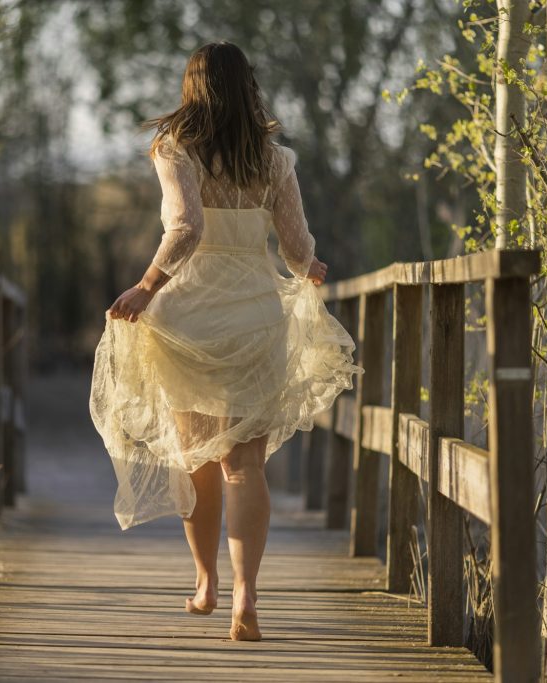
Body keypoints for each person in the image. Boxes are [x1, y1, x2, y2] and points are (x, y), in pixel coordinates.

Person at [88, 41, 361, 642]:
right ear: (248, 89)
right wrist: (310, 266)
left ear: (192, 89)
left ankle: (206, 581)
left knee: (200, 464)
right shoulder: (274, 159)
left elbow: (185, 229)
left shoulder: (174, 147)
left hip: (191, 315)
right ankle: (247, 595)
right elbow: (295, 247)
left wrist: (144, 287)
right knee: (245, 467)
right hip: (257, 318)